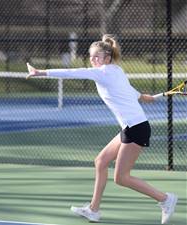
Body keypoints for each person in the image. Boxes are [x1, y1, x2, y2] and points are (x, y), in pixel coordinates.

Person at [26, 34, 178, 224]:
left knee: (121, 178)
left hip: (136, 128)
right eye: (91, 57)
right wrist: (145, 97)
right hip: (131, 126)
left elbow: (71, 72)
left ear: (107, 58)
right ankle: (93, 210)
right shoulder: (117, 70)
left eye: (97, 57)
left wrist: (40, 72)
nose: (93, 60)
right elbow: (130, 92)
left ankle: (165, 199)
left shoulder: (103, 72)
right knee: (101, 161)